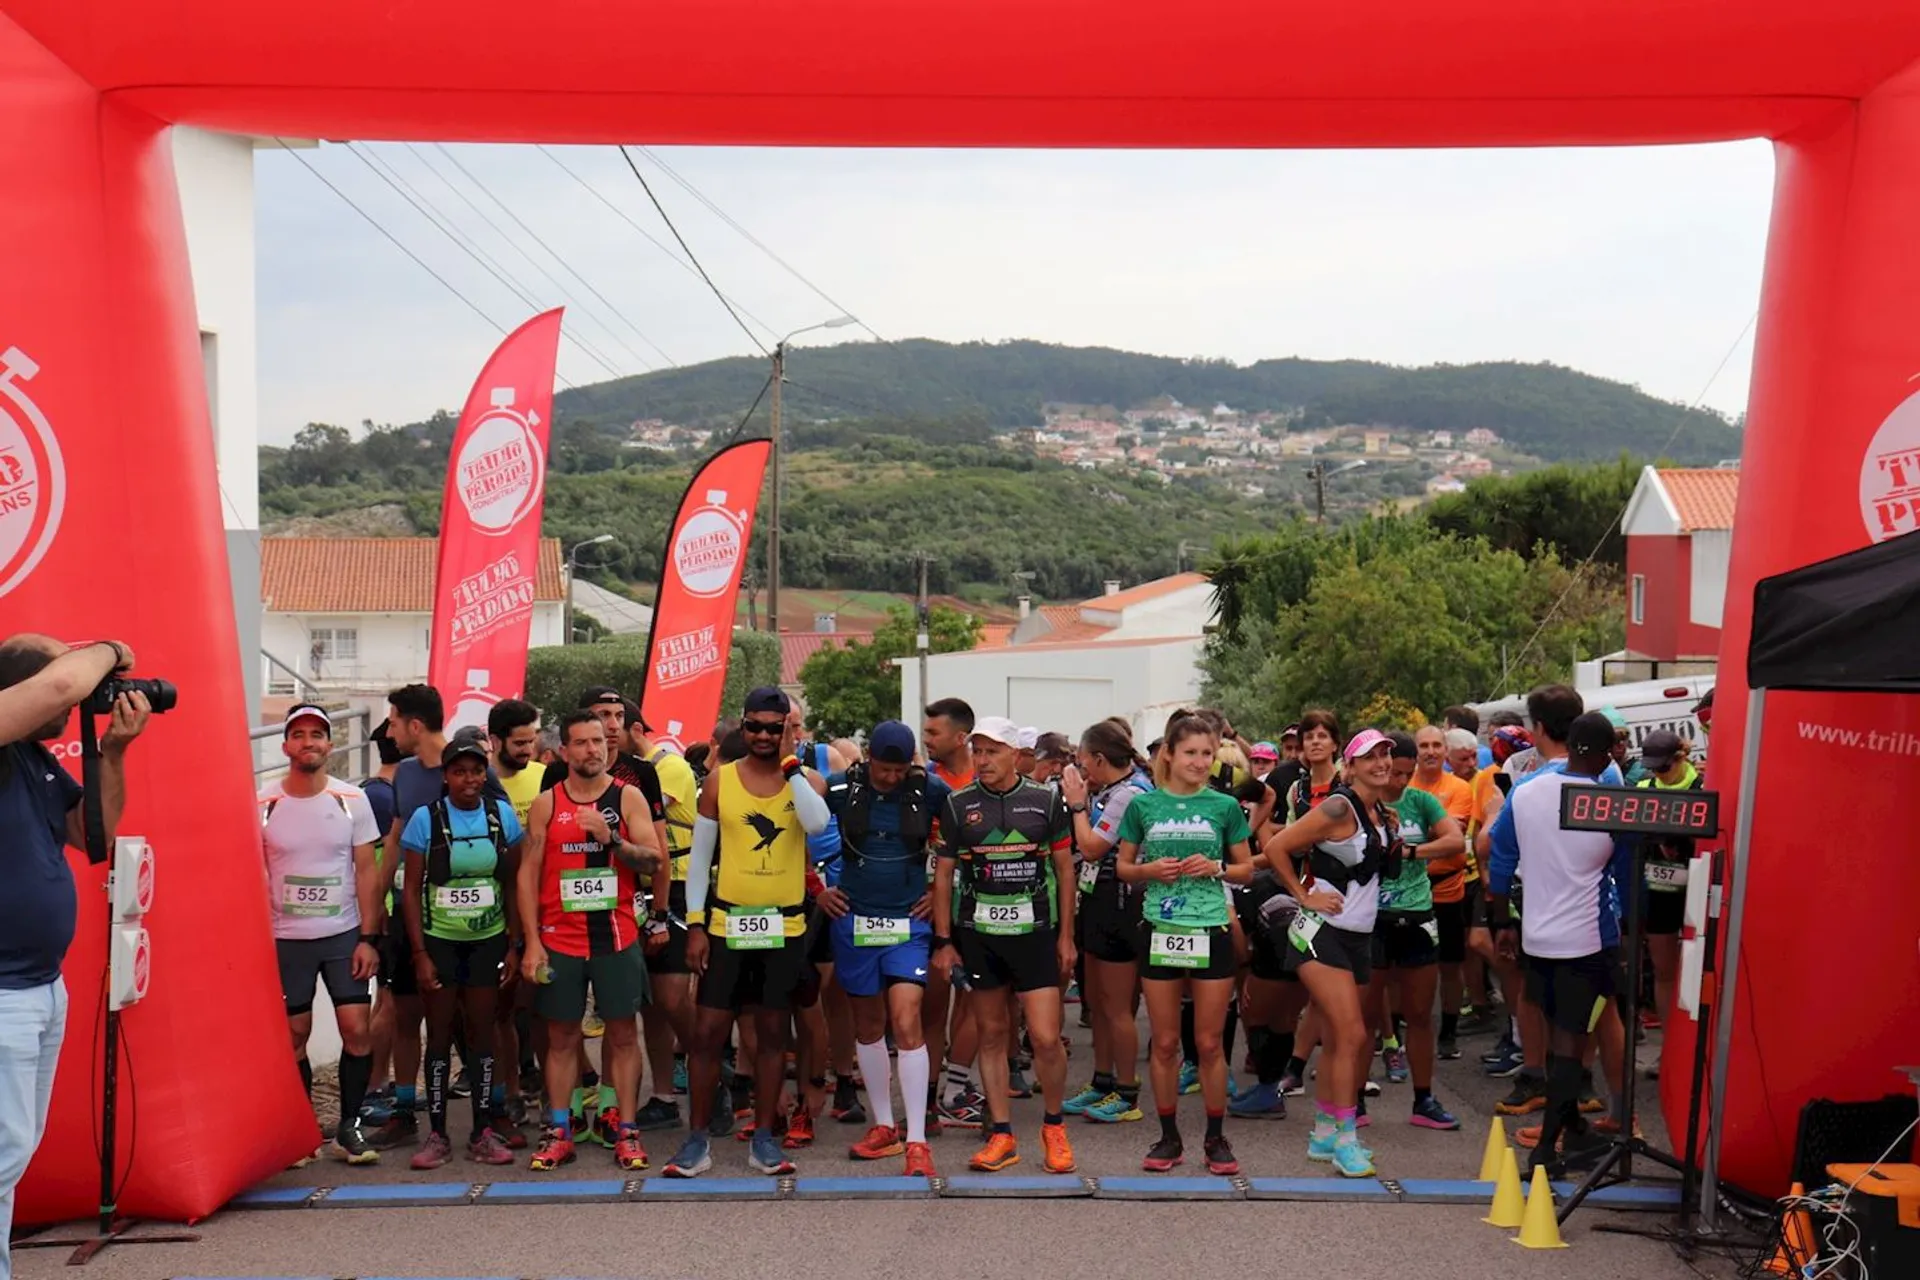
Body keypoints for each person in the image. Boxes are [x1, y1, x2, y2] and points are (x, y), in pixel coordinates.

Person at [1, 637, 149, 1280]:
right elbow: (62, 687)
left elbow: (96, 836)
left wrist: (110, 753)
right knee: (3, 1150)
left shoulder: (30, 759)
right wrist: (109, 650)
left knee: (13, 1150)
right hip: (3, 992)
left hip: (39, 987)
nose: (76, 695)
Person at [666, 688, 831, 1178]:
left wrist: (792, 767)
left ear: (787, 730)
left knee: (773, 1035)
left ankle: (764, 1138)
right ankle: (696, 1140)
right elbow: (699, 862)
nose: (762, 735)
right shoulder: (719, 781)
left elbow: (817, 825)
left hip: (784, 925)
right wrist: (695, 924)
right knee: (708, 1034)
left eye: (773, 727)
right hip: (726, 924)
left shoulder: (805, 782)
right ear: (743, 727)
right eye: (754, 726)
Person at [1487, 711, 1636, 1175]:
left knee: (1557, 1040)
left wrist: (1502, 923)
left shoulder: (1525, 792)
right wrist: (1629, 933)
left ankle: (1574, 1131)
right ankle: (1547, 1150)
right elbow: (1626, 879)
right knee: (1572, 1046)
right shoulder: (1612, 803)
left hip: (1537, 937)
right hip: (1588, 941)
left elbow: (1500, 855)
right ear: (1606, 752)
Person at [930, 716, 1078, 1175]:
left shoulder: (1044, 801)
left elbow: (1064, 870)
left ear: (1016, 755)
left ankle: (1054, 1126)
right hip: (979, 934)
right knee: (992, 1034)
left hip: (1034, 933)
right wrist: (943, 941)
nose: (983, 759)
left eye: (992, 751)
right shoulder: (958, 804)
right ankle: (1001, 1134)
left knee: (1046, 1037)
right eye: (977, 750)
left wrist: (1067, 936)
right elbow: (944, 874)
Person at [516, 710, 660, 1172]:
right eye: (581, 743)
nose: (592, 750)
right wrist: (532, 942)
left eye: (598, 741)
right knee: (560, 1037)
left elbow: (654, 862)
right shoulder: (546, 803)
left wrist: (612, 838)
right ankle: (560, 1130)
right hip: (560, 938)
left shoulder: (628, 797)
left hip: (615, 935)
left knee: (621, 1034)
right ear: (564, 752)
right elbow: (527, 877)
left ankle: (627, 1131)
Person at [1114, 714, 1255, 1175]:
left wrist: (1214, 868)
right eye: (1191, 752)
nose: (1199, 762)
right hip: (1159, 929)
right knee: (1166, 1042)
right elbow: (1123, 868)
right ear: (1169, 755)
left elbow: (1246, 870)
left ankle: (1216, 1138)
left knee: (1210, 1043)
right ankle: (1168, 1136)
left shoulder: (1224, 806)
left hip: (1211, 929)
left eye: (1207, 754)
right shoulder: (1144, 806)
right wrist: (1149, 872)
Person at [1259, 729, 1400, 1178]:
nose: (1380, 763)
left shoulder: (1381, 812)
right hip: (1322, 932)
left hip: (1358, 935)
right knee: (1353, 1035)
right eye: (1371, 757)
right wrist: (1303, 894)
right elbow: (1276, 846)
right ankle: (1345, 1139)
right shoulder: (1339, 807)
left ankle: (1324, 1131)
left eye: (1386, 755)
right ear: (1351, 765)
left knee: (1343, 1038)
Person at [819, 720, 946, 1177]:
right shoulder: (840, 788)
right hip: (854, 919)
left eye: (899, 770)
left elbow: (963, 842)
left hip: (909, 923)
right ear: (869, 756)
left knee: (907, 1018)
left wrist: (939, 893)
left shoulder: (932, 791)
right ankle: (884, 1127)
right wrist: (815, 886)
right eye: (884, 768)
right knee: (868, 1025)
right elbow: (792, 829)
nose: (891, 778)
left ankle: (916, 1141)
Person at [259, 703, 384, 1166]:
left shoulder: (352, 800)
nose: (308, 742)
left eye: (317, 734)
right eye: (299, 734)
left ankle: (348, 1128)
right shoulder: (264, 802)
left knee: (357, 1029)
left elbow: (367, 872)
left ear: (330, 745)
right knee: (295, 1032)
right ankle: (301, 1130)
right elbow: (253, 873)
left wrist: (369, 938)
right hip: (285, 938)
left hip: (342, 935)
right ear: (286, 745)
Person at [400, 729, 522, 1168]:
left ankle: (482, 1130)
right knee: (438, 1035)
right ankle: (436, 1134)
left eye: (476, 771)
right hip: (441, 941)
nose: (469, 779)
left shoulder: (501, 816)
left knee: (482, 1033)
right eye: (459, 772)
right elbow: (411, 890)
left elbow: (512, 883)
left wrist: (515, 944)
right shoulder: (424, 819)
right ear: (446, 776)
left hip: (487, 941)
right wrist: (419, 953)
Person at [1060, 720, 1153, 1125]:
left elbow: (1093, 847)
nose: (1081, 772)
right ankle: (1101, 1080)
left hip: (1122, 904)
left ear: (1099, 759)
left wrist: (1078, 804)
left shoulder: (1130, 793)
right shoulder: (1111, 790)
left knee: (1117, 1007)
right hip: (1097, 902)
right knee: (1096, 1001)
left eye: (1083, 763)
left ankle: (1127, 1091)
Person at [1376, 732, 1464, 1131]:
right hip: (1371, 918)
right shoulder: (1360, 802)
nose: (1397, 781)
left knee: (1419, 1015)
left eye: (1405, 774)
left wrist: (1411, 852)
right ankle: (1353, 1105)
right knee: (1361, 1020)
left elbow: (1455, 840)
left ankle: (1423, 1099)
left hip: (1415, 914)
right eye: (1392, 773)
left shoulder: (1421, 801)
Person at [633, 716, 702, 1134]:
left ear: (634, 727)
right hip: (630, 893)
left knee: (674, 998)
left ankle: (713, 1078)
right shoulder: (614, 777)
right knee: (650, 1004)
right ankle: (662, 1096)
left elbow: (641, 827)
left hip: (676, 888)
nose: (606, 728)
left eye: (614, 718)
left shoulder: (669, 766)